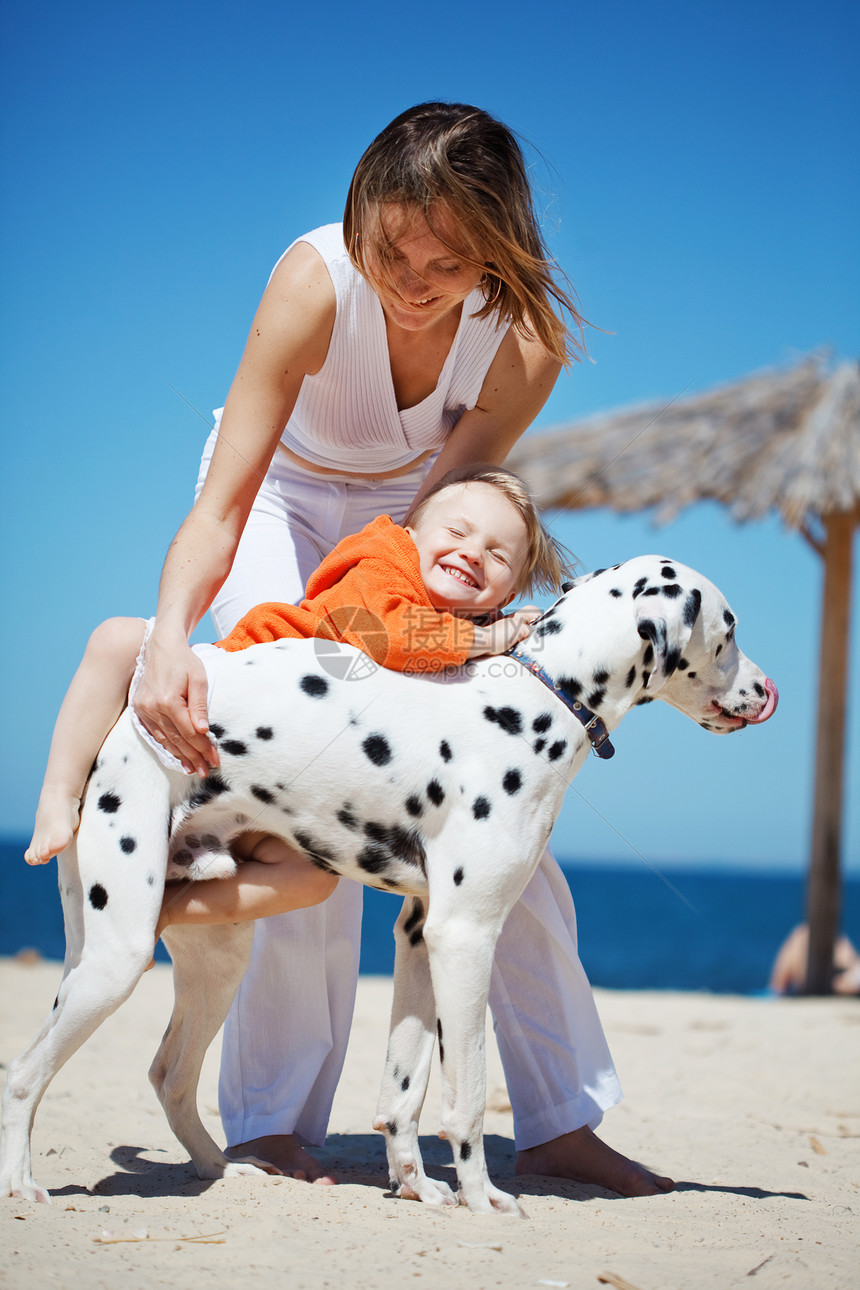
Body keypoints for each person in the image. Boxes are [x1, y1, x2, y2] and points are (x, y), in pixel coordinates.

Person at [36, 101, 673, 1195]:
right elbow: (225, 505)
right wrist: (174, 639)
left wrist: (443, 655)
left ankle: (561, 1116)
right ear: (356, 219)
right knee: (307, 776)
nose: (412, 278)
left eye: (449, 258)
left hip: (414, 528)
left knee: (495, 811)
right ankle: (274, 1122)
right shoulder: (310, 282)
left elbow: (431, 524)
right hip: (275, 498)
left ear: (499, 249)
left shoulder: (526, 345)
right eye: (390, 248)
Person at [26, 465, 562, 866]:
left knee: (310, 880)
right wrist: (483, 636)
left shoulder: (462, 643)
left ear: (508, 591)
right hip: (225, 694)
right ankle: (59, 792)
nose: (473, 552)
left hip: (264, 784)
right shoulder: (383, 567)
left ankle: (165, 915)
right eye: (458, 532)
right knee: (117, 638)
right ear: (411, 534)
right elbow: (384, 635)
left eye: (498, 555)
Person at [770, 925, 860, 996]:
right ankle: (777, 990)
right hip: (835, 977)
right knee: (801, 935)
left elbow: (843, 986)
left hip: (828, 982)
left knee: (800, 936)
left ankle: (776, 991)